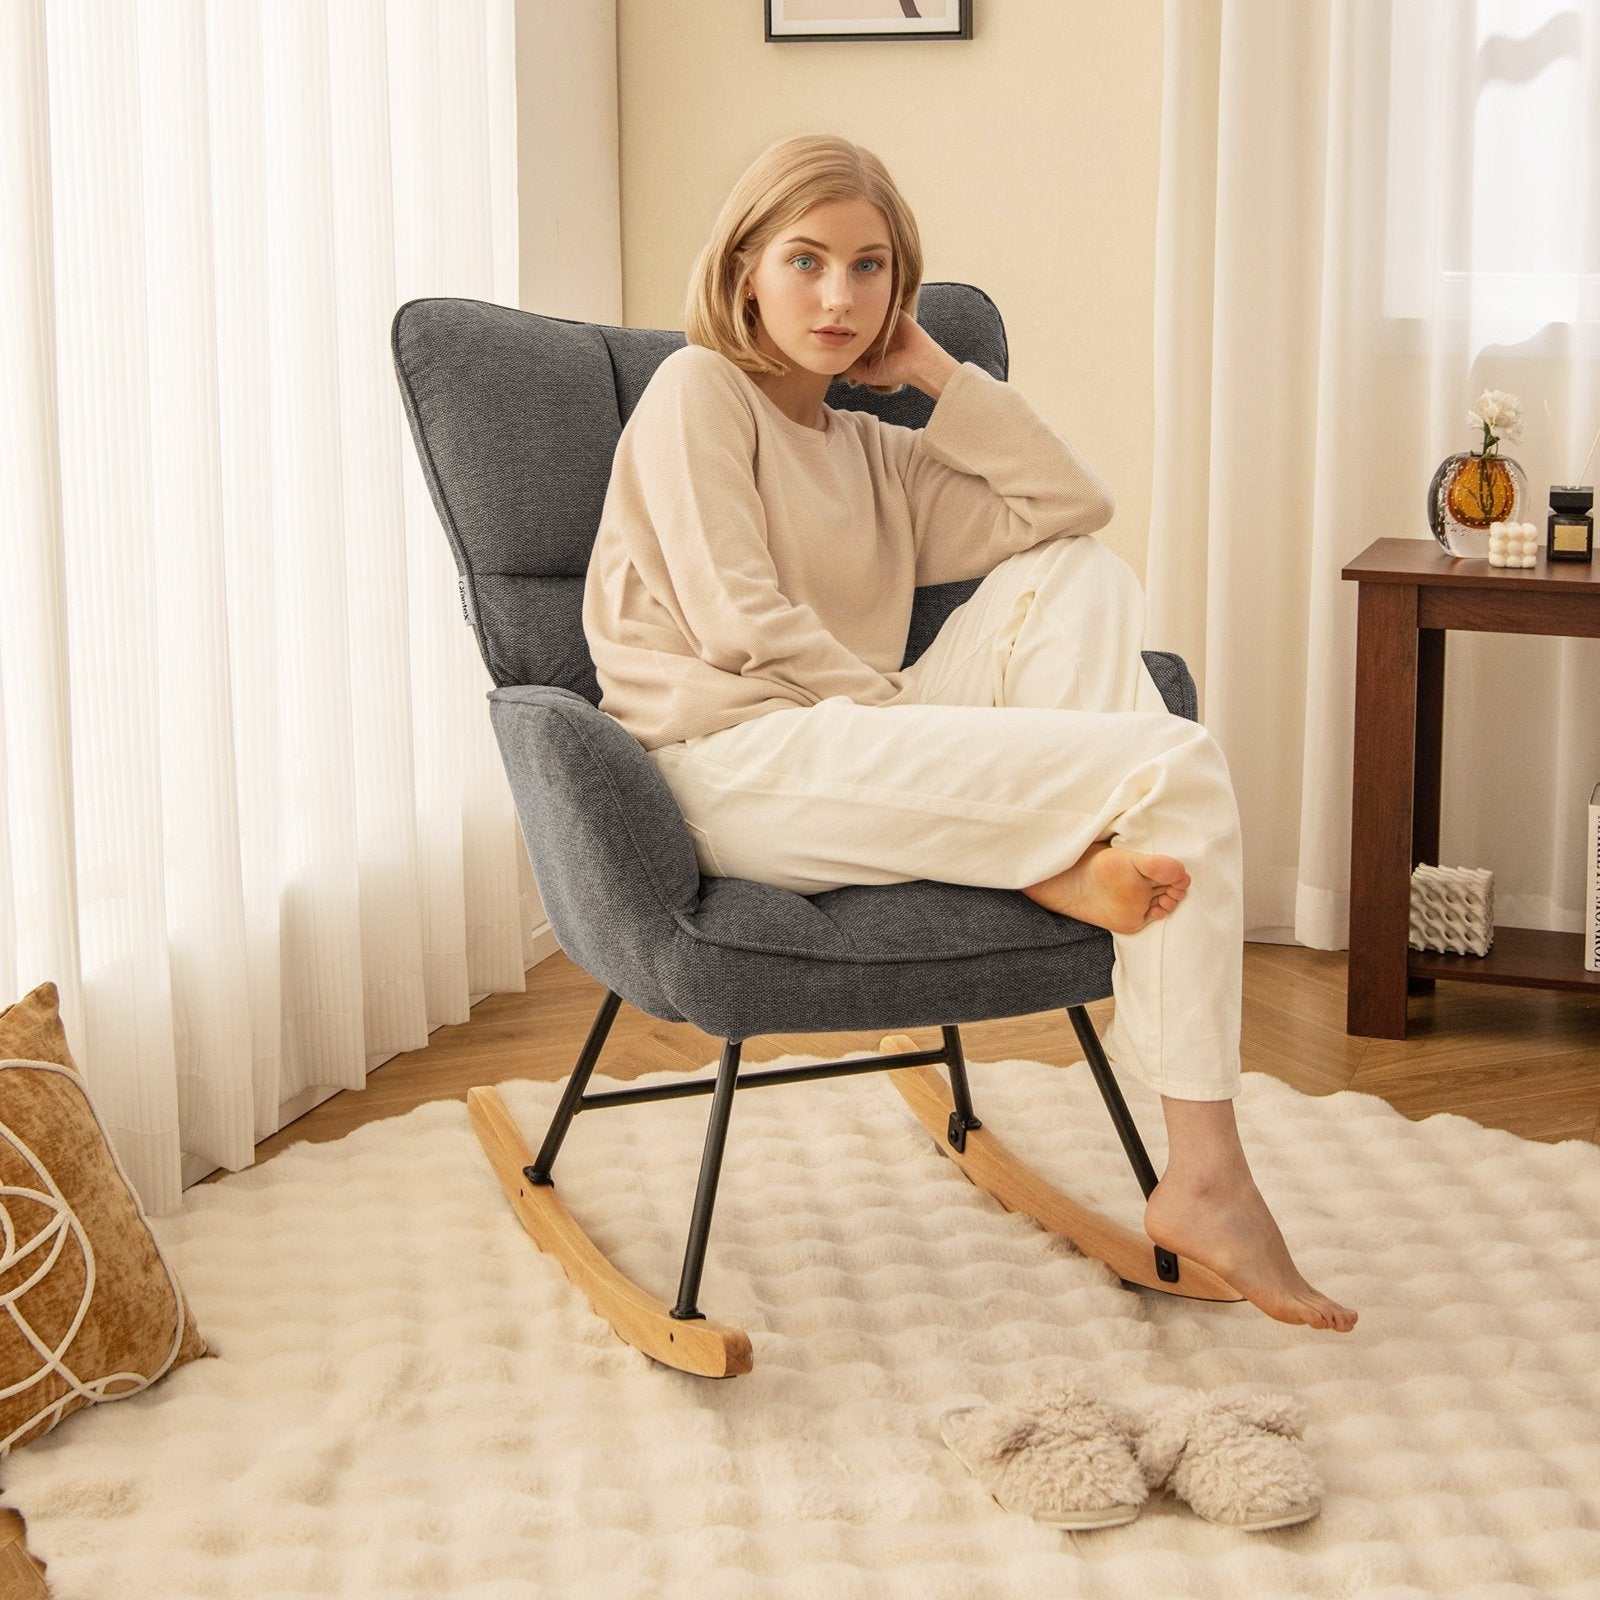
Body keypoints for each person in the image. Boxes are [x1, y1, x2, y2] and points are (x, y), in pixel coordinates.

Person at [582, 133, 1356, 1334]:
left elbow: (1067, 507)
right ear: (743, 270)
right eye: (804, 261)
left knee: (1080, 573)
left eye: (869, 267)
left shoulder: (876, 452)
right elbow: (738, 622)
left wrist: (938, 374)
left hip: (852, 750)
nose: (838, 296)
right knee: (1173, 763)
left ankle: (1062, 867)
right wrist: (911, 723)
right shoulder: (698, 391)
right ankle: (1201, 1161)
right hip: (735, 767)